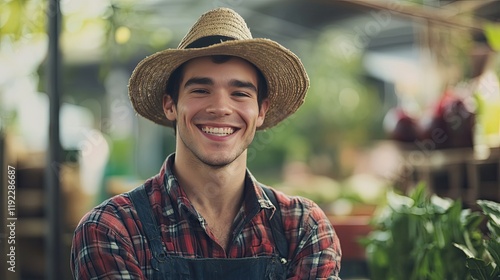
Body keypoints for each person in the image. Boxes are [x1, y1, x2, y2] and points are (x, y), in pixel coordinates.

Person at [71, 7, 341, 280]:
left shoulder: (302, 227)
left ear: (261, 111)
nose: (221, 107)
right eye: (201, 90)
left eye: (239, 93)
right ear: (170, 105)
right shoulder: (113, 229)